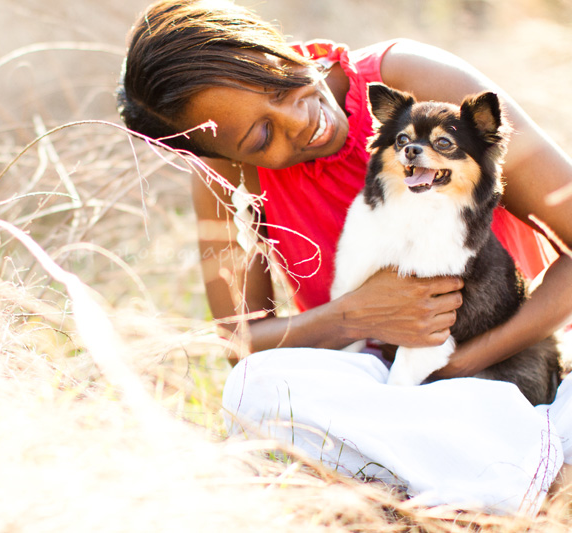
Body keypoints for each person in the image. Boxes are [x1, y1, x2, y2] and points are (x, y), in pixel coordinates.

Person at [117, 0, 572, 514]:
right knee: (258, 388)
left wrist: (467, 359)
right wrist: (351, 315)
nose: (299, 118)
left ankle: (516, 478)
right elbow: (241, 340)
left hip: (520, 355)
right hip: (387, 388)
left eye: (279, 79)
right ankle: (524, 472)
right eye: (262, 136)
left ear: (269, 43)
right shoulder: (223, 176)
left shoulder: (410, 78)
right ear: (224, 153)